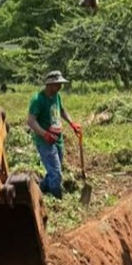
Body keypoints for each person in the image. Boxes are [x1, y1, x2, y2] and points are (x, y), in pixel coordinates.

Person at [27, 70, 81, 198]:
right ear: (49, 84)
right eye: (58, 84)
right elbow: (31, 121)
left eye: (61, 84)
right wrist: (44, 134)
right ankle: (57, 200)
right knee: (56, 174)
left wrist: (72, 123)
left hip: (57, 140)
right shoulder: (38, 99)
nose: (60, 86)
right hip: (45, 142)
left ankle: (40, 189)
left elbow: (61, 110)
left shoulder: (57, 96)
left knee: (54, 171)